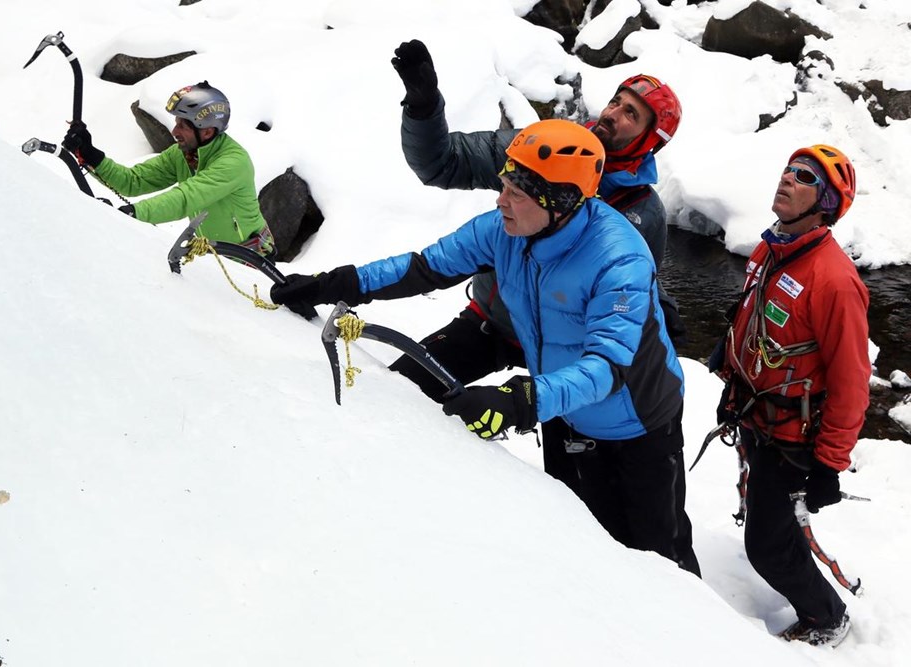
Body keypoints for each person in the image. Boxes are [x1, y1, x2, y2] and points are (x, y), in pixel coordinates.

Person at [271, 120, 699, 575]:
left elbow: (610, 365)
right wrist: (339, 283)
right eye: (504, 185)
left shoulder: (618, 257)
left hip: (637, 426)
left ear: (562, 201)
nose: (502, 200)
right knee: (580, 541)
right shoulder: (505, 229)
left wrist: (525, 399)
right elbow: (424, 268)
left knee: (659, 561)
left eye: (517, 192)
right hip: (562, 412)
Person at [387, 39, 685, 404]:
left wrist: (661, 305)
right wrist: (423, 103)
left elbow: (633, 281)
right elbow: (442, 163)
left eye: (631, 115)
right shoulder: (540, 147)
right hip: (494, 324)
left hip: (567, 352)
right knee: (399, 391)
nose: (612, 114)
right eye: (616, 102)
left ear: (649, 142)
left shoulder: (643, 211)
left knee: (560, 456)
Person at [714, 144, 869, 647]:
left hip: (795, 439)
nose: (787, 179)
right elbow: (752, 324)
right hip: (762, 418)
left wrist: (829, 463)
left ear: (823, 201)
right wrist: (731, 381)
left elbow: (851, 382)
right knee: (771, 527)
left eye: (803, 176)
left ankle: (828, 617)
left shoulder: (835, 281)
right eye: (787, 170)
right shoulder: (771, 250)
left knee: (766, 546)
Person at [62, 81, 275, 256]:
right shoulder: (183, 154)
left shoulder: (233, 162)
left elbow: (186, 198)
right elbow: (133, 181)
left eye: (183, 125)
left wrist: (135, 213)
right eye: (176, 122)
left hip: (250, 262)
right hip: (212, 257)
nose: (174, 130)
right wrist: (90, 154)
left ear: (207, 132)